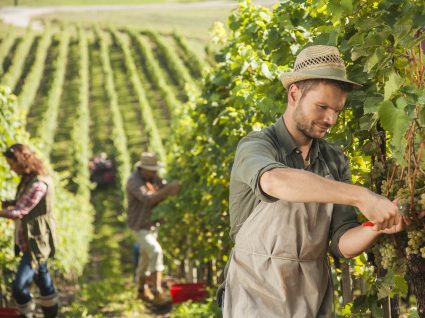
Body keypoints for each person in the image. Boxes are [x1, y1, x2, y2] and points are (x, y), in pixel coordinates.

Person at [221, 45, 408, 317]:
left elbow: (342, 242)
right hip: (255, 294)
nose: (331, 119)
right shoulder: (258, 146)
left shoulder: (334, 160)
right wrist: (362, 196)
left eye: (337, 110)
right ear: (294, 94)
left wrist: (377, 226)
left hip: (311, 294)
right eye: (322, 107)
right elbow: (275, 181)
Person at [0, 144, 58, 318]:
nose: (11, 168)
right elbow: (21, 202)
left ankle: (27, 314)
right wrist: (9, 202)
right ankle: (52, 315)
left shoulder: (39, 183)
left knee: (19, 287)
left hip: (36, 240)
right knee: (43, 278)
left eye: (12, 164)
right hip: (31, 239)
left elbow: (21, 211)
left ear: (22, 162)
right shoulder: (28, 178)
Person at [126, 152, 180, 305]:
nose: (156, 172)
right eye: (153, 170)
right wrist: (168, 189)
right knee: (155, 251)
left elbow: (163, 187)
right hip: (139, 225)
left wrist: (171, 188)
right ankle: (157, 291)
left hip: (151, 224)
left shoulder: (152, 177)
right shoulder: (133, 181)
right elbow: (147, 199)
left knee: (145, 257)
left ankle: (141, 290)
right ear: (144, 169)